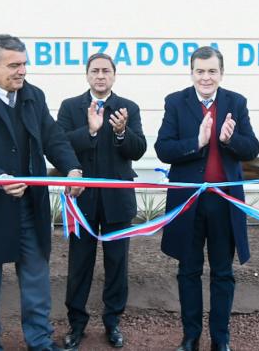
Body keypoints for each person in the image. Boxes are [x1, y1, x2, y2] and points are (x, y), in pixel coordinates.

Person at [0, 34, 82, 351]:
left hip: (29, 206)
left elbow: (54, 139)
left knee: (36, 279)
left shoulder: (33, 96)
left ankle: (39, 341)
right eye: (14, 65)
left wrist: (72, 168)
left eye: (24, 64)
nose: (22, 71)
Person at [155, 46, 259, 351]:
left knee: (222, 273)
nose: (206, 77)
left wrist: (230, 140)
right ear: (192, 73)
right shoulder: (176, 102)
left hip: (223, 203)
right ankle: (190, 337)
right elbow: (163, 148)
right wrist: (197, 142)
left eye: (212, 71)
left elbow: (251, 148)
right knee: (187, 271)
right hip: (188, 203)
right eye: (200, 71)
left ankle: (221, 339)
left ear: (221, 73)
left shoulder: (235, 103)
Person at [57, 53, 147, 350]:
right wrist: (91, 130)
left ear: (114, 75)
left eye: (105, 71)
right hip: (81, 203)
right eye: (94, 71)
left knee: (117, 265)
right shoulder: (71, 107)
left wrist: (121, 132)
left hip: (117, 203)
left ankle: (113, 322)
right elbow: (59, 146)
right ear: (87, 75)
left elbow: (138, 149)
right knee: (79, 265)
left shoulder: (128, 108)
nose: (100, 76)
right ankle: (77, 324)